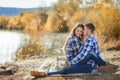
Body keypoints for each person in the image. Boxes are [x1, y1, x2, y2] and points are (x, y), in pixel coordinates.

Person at [30, 23, 105, 77]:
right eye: (79, 31)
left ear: (88, 31)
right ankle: (102, 63)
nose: (82, 32)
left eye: (83, 30)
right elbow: (82, 54)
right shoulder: (87, 39)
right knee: (89, 55)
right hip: (84, 62)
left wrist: (71, 62)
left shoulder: (89, 40)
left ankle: (46, 74)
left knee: (69, 69)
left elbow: (82, 55)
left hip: (89, 65)